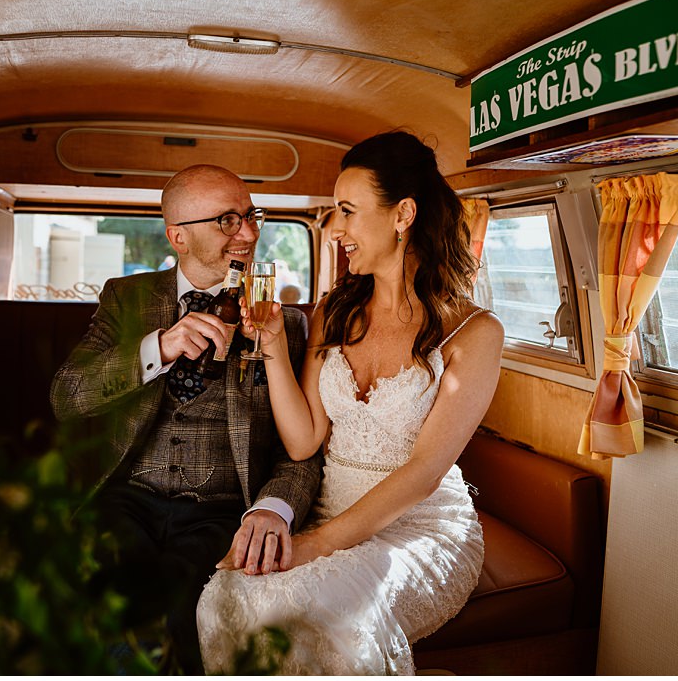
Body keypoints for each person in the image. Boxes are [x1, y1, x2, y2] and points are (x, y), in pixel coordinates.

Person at [196, 132, 504, 674]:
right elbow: (305, 439)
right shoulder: (335, 311)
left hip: (418, 527)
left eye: (346, 211)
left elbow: (424, 472)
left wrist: (313, 546)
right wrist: (270, 346)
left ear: (403, 214)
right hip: (328, 508)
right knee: (225, 595)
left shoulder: (475, 334)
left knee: (322, 616)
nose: (334, 229)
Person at [49, 164, 321, 673]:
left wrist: (276, 509)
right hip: (126, 497)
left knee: (176, 605)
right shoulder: (126, 297)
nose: (250, 233)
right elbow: (68, 396)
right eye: (228, 221)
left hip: (223, 509)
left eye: (251, 216)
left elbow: (301, 450)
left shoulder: (285, 323)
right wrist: (160, 346)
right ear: (178, 236)